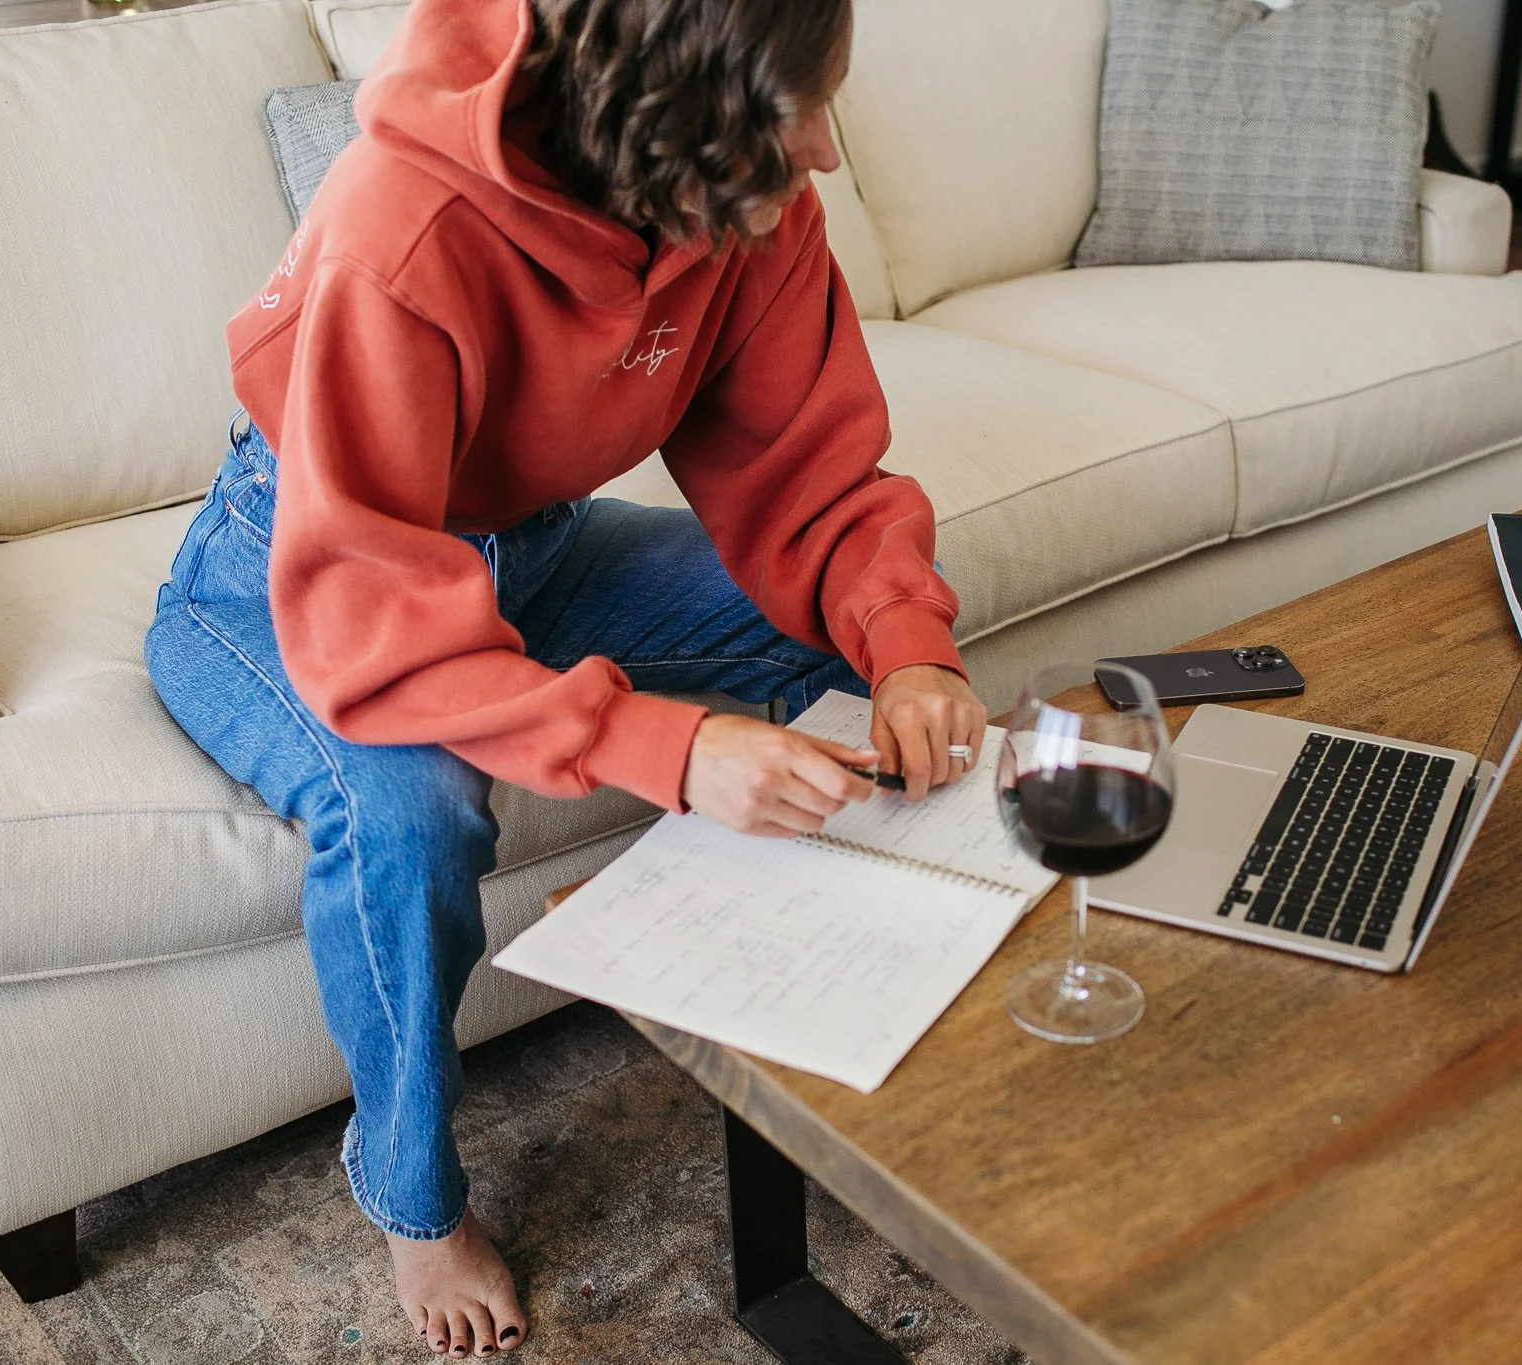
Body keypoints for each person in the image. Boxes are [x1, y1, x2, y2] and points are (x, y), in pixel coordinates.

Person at [144, 0, 985, 1355]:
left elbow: (814, 479)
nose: (824, 152)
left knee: (838, 626)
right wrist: (664, 746)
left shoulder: (744, 208)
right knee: (412, 814)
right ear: (667, 115)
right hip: (295, 573)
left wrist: (912, 652)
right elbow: (374, 615)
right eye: (789, 118)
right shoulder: (400, 227)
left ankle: (825, 979)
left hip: (529, 551)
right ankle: (412, 1202)